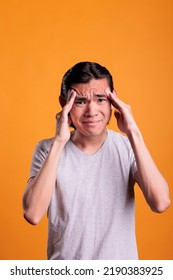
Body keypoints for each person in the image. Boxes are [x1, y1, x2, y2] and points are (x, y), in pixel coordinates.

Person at [23, 61, 170, 260]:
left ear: (113, 100)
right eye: (80, 101)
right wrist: (59, 141)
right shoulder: (48, 149)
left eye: (100, 99)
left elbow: (160, 202)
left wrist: (133, 132)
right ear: (64, 104)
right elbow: (32, 213)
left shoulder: (128, 147)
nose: (92, 111)